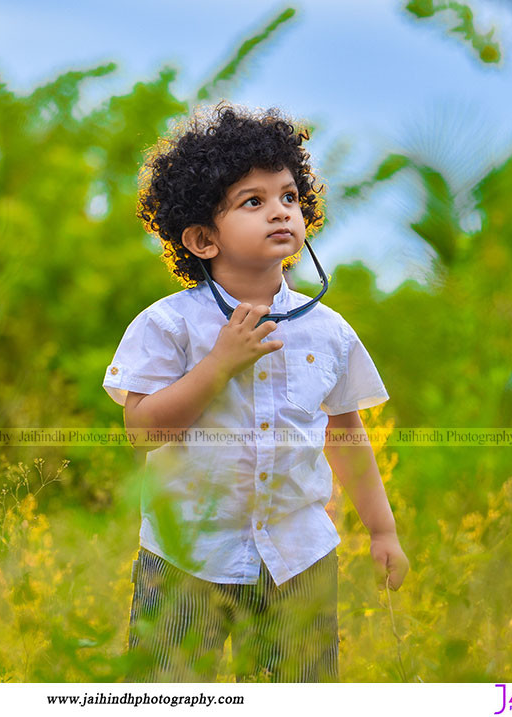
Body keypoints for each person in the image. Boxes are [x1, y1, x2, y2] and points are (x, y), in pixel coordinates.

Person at [102, 101, 409, 682]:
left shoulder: (328, 331)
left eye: (289, 197)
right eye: (253, 201)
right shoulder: (169, 326)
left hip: (299, 559)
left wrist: (382, 529)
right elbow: (143, 432)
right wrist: (218, 365)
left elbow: (346, 435)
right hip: (188, 557)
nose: (280, 212)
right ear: (201, 237)